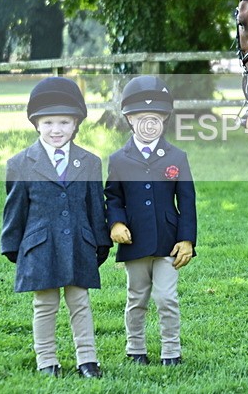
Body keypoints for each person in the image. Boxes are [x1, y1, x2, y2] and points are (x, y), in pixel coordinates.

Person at [0, 77, 111, 378]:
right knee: (45, 305)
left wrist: (100, 242)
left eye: (64, 122)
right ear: (36, 124)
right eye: (48, 123)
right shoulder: (20, 163)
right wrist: (13, 246)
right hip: (40, 247)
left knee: (80, 302)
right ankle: (46, 361)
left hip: (78, 242)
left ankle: (87, 360)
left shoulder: (89, 162)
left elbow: (94, 205)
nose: (56, 130)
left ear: (76, 124)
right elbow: (15, 208)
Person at [104, 75, 197, 367]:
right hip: (134, 241)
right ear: (130, 119)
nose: (149, 123)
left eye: (155, 117)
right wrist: (115, 223)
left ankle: (171, 351)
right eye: (141, 117)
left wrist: (187, 239)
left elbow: (187, 200)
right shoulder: (119, 159)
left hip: (168, 243)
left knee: (167, 298)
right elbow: (113, 197)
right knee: (136, 298)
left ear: (164, 119)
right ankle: (135, 349)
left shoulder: (177, 157)